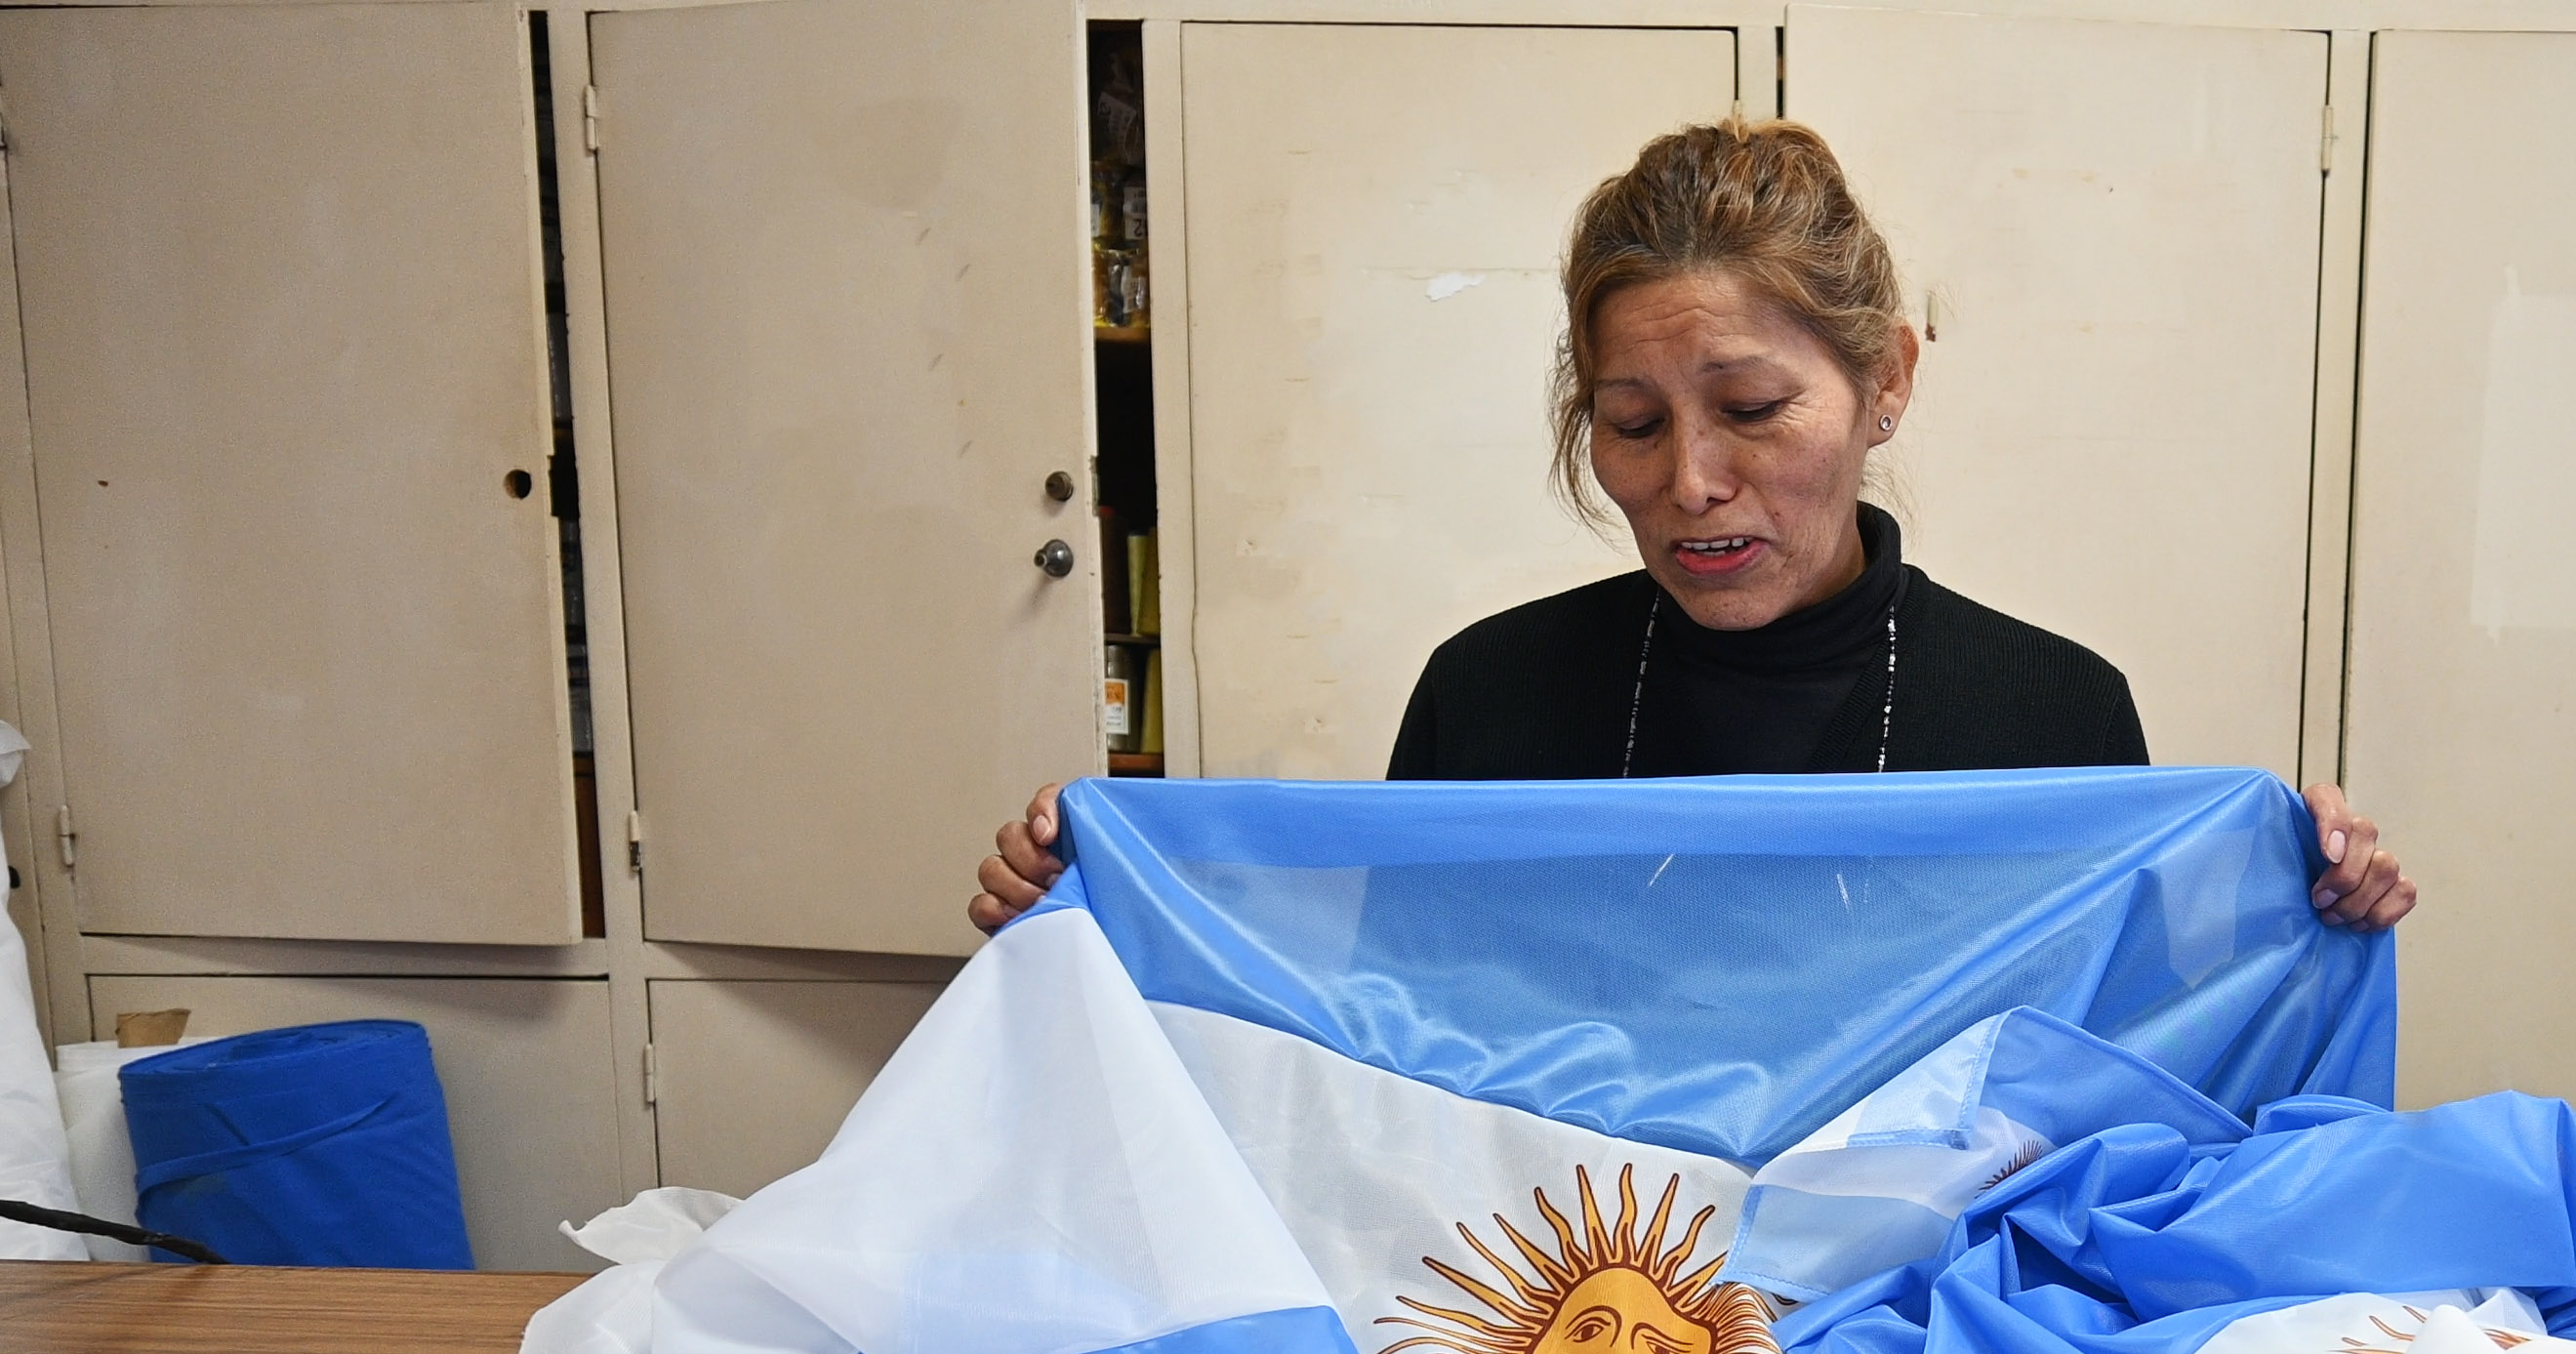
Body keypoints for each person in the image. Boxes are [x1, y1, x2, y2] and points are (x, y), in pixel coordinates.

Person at [975, 118, 2414, 934]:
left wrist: (2309, 911)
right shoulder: (1491, 697)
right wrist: (1087, 916)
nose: (1692, 481)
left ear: (1886, 381)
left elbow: (2129, 1088)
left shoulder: (2052, 714)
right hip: (1566, 1308)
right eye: (1634, 421)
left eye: (1752, 409)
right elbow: (1370, 1067)